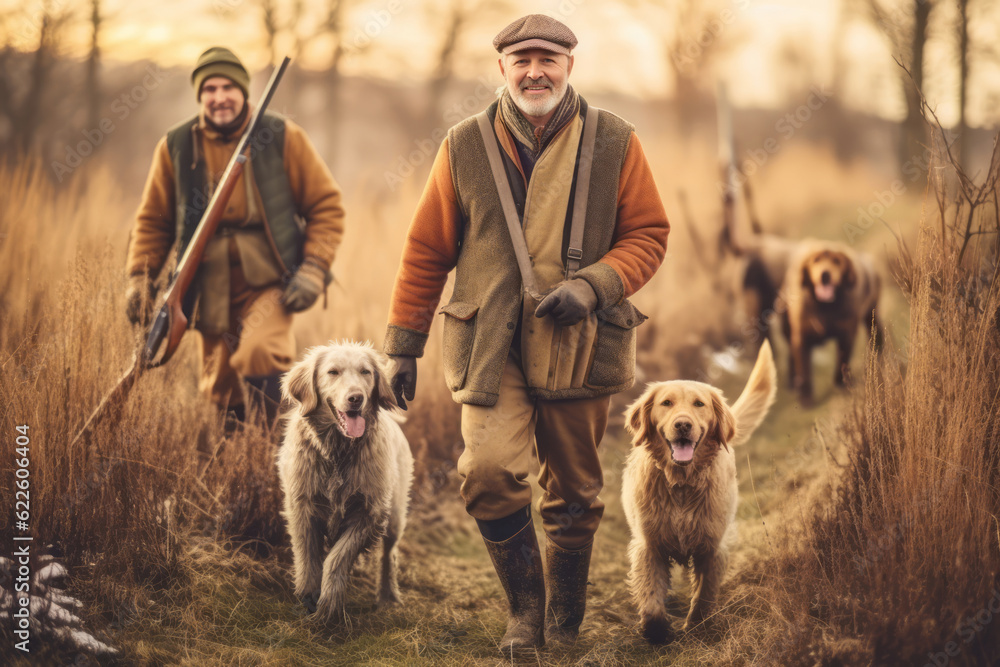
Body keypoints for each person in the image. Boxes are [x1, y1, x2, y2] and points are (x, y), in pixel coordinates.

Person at [383, 15, 670, 652]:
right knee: (485, 472)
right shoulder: (463, 144)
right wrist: (403, 346)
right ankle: (525, 613)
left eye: (548, 58)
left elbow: (649, 235)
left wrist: (595, 284)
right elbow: (427, 249)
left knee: (573, 494)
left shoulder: (617, 140)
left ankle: (565, 620)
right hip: (489, 348)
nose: (534, 70)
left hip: (581, 345)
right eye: (522, 60)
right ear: (503, 69)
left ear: (570, 65)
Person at [125, 46, 345, 427]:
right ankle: (235, 462)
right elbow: (152, 222)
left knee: (262, 354)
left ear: (244, 90)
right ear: (200, 95)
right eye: (209, 88)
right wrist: (139, 279)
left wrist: (312, 268)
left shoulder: (281, 136)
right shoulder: (176, 146)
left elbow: (327, 206)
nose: (220, 96)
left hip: (269, 279)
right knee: (220, 385)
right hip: (206, 284)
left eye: (229, 86)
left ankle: (269, 447)